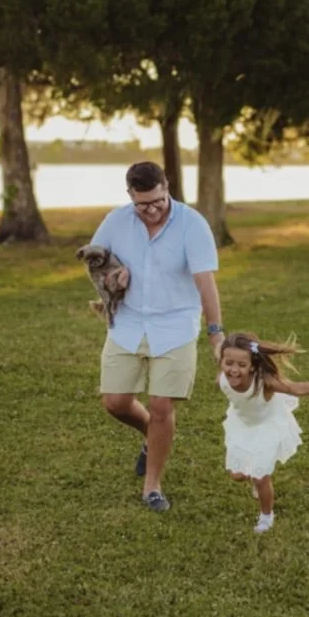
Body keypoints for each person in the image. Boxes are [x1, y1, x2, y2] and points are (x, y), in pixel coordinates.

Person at [91, 161, 224, 512]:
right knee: (115, 402)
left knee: (162, 406)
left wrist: (215, 334)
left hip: (175, 325)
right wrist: (110, 279)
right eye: (142, 204)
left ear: (167, 187)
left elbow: (205, 282)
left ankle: (152, 486)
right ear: (130, 196)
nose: (151, 210)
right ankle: (153, 437)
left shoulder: (192, 224)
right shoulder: (117, 220)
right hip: (129, 323)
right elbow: (95, 261)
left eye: (157, 201)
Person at [218, 332, 309, 533]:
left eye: (241, 365)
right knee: (238, 475)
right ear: (222, 361)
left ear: (252, 365)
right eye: (229, 363)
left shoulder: (264, 382)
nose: (233, 370)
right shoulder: (223, 378)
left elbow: (298, 388)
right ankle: (254, 475)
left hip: (267, 426)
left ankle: (266, 516)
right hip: (241, 425)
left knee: (261, 477)